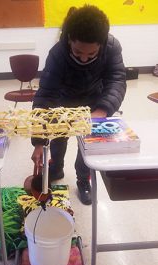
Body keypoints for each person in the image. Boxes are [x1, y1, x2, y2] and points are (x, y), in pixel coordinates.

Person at [31, 4, 127, 205]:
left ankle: (83, 180)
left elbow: (116, 79)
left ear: (101, 45)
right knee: (58, 138)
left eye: (91, 54)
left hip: (95, 101)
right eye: (77, 51)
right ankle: (56, 168)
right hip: (63, 102)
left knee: (87, 146)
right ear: (68, 40)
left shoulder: (111, 47)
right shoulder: (57, 54)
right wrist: (39, 140)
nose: (84, 58)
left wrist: (102, 110)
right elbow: (45, 95)